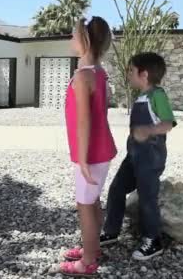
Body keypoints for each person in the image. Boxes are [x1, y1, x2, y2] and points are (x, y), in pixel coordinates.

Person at [99, 52, 177, 261]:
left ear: (144, 74)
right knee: (117, 188)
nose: (128, 75)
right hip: (133, 156)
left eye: (131, 71)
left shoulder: (157, 95)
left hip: (150, 158)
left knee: (147, 198)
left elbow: (168, 123)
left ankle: (153, 240)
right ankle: (111, 231)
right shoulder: (141, 97)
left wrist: (148, 130)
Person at [59, 17, 117, 277]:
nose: (71, 38)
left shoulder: (84, 76)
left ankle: (89, 261)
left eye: (74, 35)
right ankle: (92, 248)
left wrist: (81, 159)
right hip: (100, 150)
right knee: (92, 202)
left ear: (85, 40)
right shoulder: (98, 71)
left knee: (85, 204)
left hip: (90, 153)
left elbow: (84, 120)